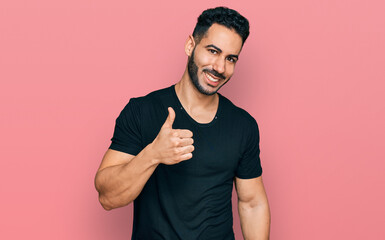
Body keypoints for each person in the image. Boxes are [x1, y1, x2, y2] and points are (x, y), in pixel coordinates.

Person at [94, 6, 271, 240]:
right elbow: (108, 197)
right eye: (212, 51)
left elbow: (252, 203)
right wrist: (153, 154)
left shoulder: (243, 125)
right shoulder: (142, 111)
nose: (219, 67)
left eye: (230, 58)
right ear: (190, 46)